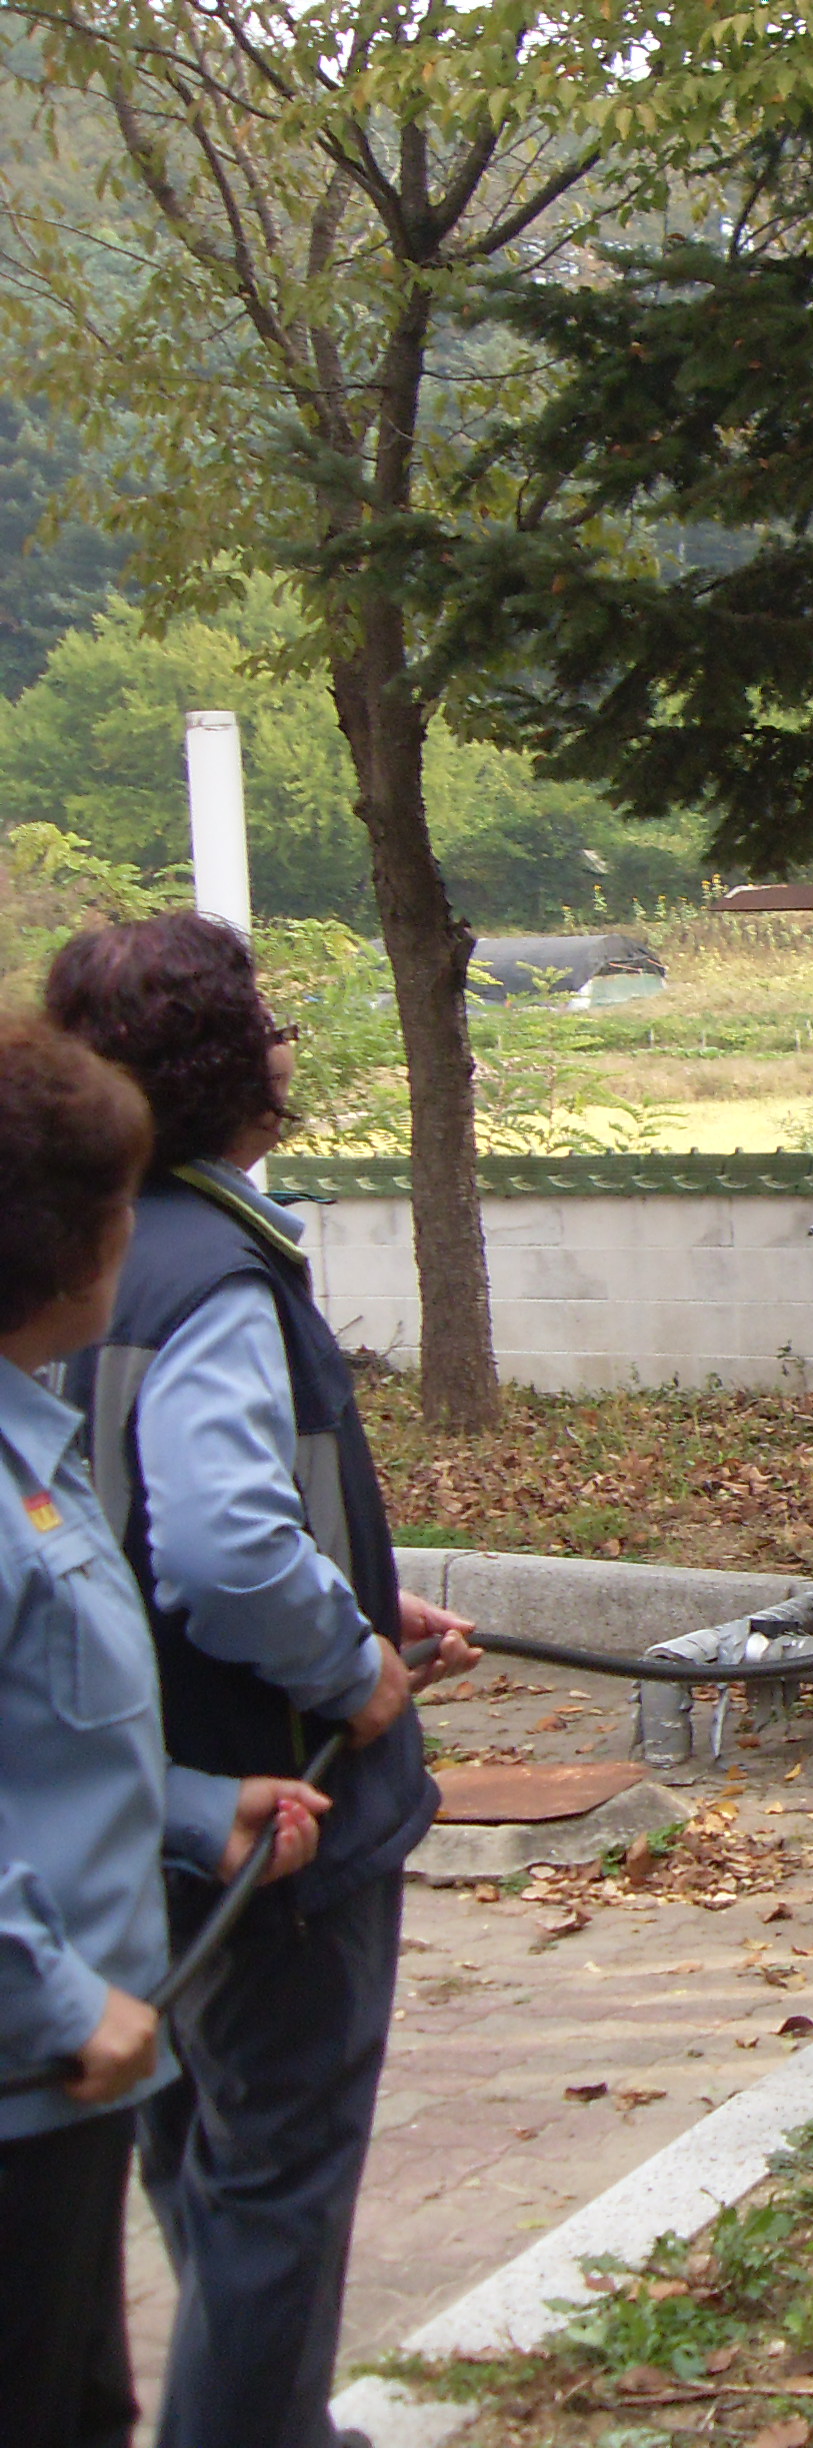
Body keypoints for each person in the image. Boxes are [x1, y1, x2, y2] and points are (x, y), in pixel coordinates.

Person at [41, 915, 479, 2448]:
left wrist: (357, 1590)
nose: (288, 1044)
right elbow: (225, 1549)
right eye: (270, 1021)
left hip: (138, 1795)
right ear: (232, 1066)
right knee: (276, 2179)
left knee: (193, 2145)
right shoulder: (216, 1270)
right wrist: (348, 1663)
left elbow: (124, 1507)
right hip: (273, 1807)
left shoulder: (80, 1253)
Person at [0, 1019, 328, 2448]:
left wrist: (196, 1812)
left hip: (66, 2085)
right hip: (36, 2064)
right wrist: (53, 2005)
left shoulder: (36, 1444)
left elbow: (42, 1736)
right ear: (67, 1243)